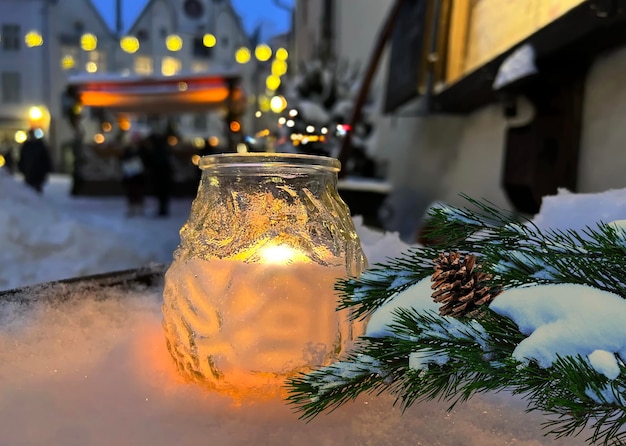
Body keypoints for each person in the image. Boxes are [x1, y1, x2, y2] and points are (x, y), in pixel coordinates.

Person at [120, 132, 147, 217]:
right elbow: (123, 159)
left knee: (138, 191)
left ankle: (139, 208)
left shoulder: (142, 150)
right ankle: (132, 208)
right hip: (130, 175)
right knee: (131, 192)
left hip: (138, 175)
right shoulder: (128, 150)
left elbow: (145, 160)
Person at [18, 129, 52, 193]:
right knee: (29, 190)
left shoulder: (40, 145)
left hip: (38, 172)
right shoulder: (27, 146)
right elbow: (22, 159)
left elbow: (45, 159)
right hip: (29, 172)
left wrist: (46, 170)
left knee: (36, 189)